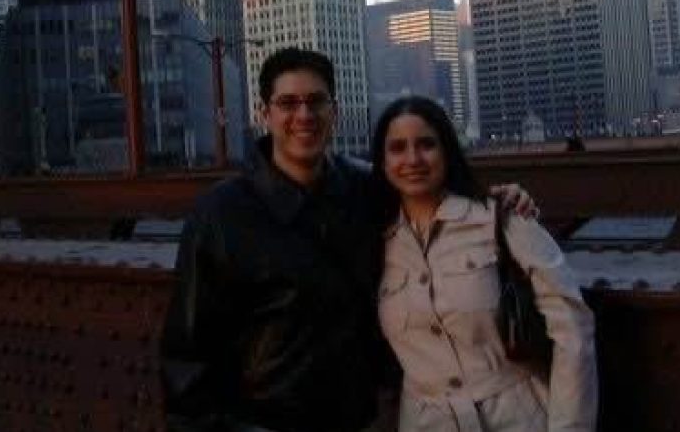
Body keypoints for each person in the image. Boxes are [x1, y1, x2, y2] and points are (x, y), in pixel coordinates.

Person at [161, 48, 535, 432]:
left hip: (364, 420)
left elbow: (434, 203)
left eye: (316, 102)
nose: (304, 115)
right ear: (263, 114)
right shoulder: (220, 213)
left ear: (334, 112)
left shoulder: (369, 189)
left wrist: (500, 201)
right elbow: (186, 356)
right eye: (288, 103)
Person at [372, 95, 597, 432]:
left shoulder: (501, 218)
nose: (413, 159)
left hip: (519, 418)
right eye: (397, 148)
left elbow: (572, 325)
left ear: (447, 151)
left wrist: (570, 426)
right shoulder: (376, 242)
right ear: (382, 162)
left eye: (427, 144)